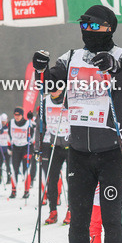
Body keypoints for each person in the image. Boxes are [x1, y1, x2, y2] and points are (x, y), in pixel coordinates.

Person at [31, 4, 122, 243]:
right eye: (84, 27)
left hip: (112, 152)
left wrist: (113, 68)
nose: (88, 32)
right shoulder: (71, 57)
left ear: (109, 28)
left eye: (95, 27)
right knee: (78, 220)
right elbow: (50, 86)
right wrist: (41, 69)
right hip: (78, 151)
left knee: (110, 218)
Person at [41, 87, 70, 224]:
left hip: (70, 147)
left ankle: (71, 211)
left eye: (56, 88)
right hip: (54, 147)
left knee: (72, 181)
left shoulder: (69, 99)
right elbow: (41, 124)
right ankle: (52, 211)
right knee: (52, 180)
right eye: (50, 88)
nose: (53, 90)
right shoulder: (45, 102)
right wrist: (38, 147)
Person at [7, 107, 33, 198]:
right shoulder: (11, 123)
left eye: (18, 115)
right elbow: (9, 135)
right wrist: (9, 147)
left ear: (22, 115)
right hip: (16, 148)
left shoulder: (28, 123)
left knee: (26, 170)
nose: (17, 117)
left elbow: (33, 135)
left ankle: (26, 191)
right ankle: (13, 191)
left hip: (26, 148)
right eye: (15, 115)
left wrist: (33, 148)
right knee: (14, 169)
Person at [0, 113, 11, 185]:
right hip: (0, 148)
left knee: (8, 164)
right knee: (0, 164)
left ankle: (9, 178)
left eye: (4, 121)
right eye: (2, 121)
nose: (3, 122)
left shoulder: (9, 127)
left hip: (7, 148)